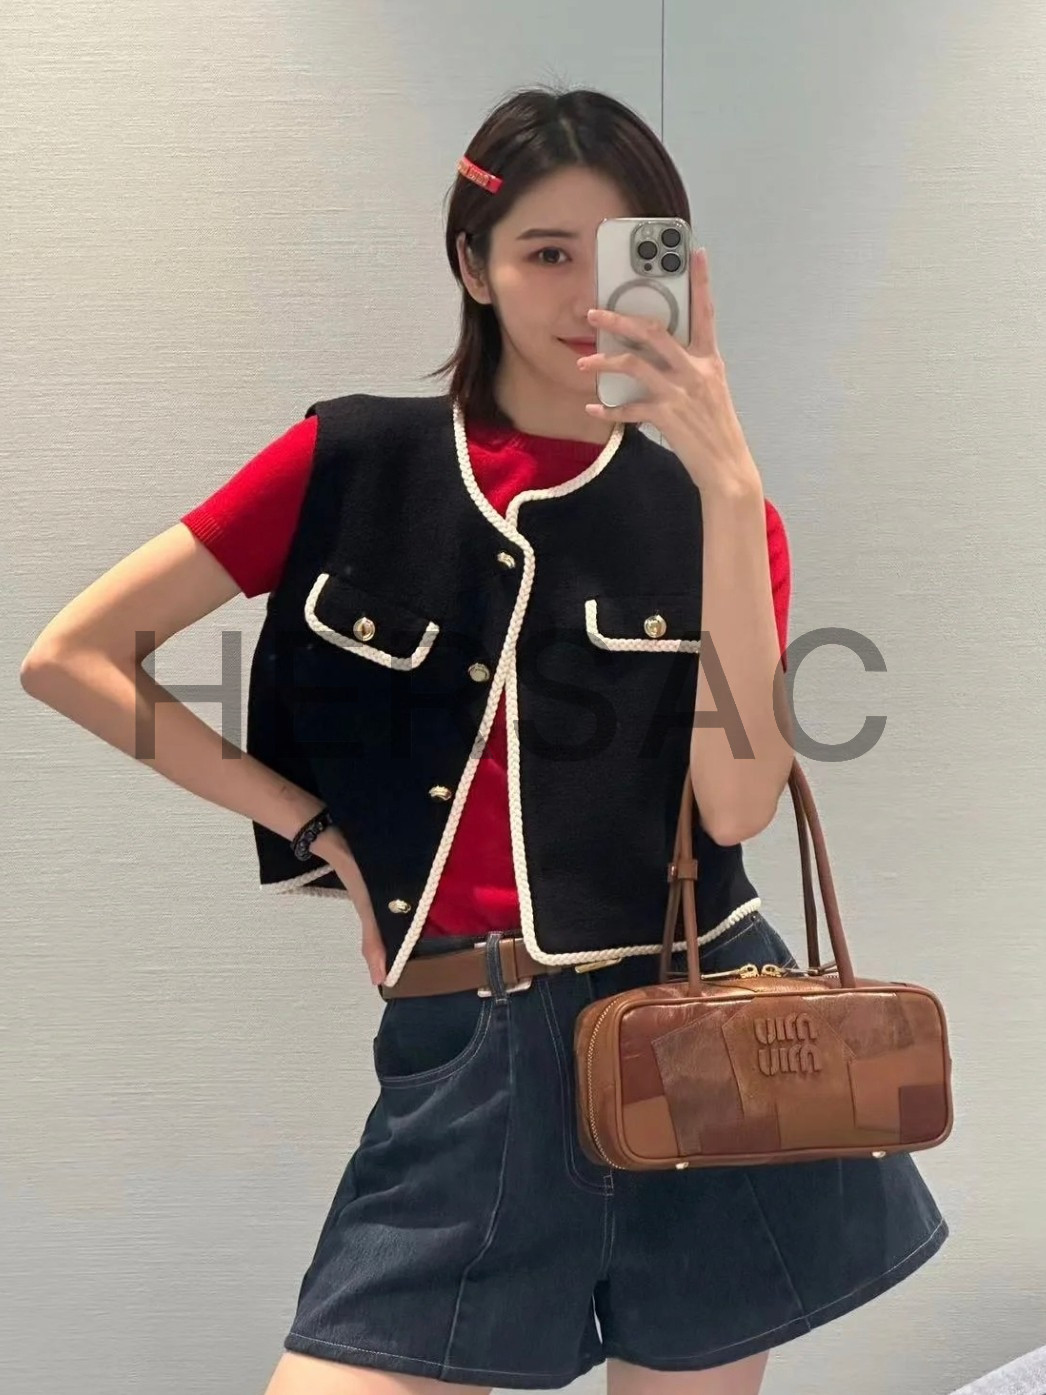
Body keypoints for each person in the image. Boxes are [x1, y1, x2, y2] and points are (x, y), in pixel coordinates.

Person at [20, 85, 948, 1395]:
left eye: (617, 256)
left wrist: (731, 485)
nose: (581, 297)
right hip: (464, 1064)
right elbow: (71, 658)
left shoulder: (713, 515)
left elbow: (737, 806)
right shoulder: (352, 459)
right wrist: (319, 832)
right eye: (543, 252)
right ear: (473, 264)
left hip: (695, 1050)